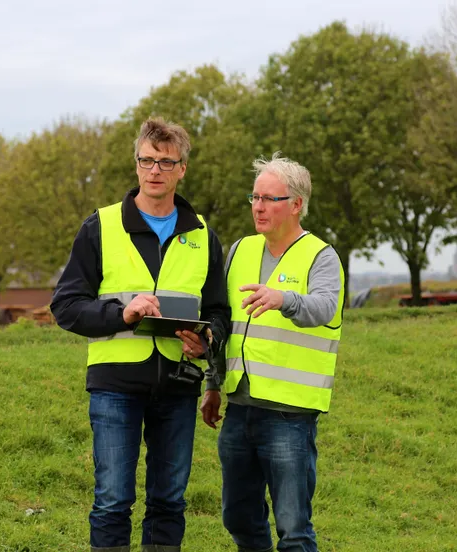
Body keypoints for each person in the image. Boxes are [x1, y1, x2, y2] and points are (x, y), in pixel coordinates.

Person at [50, 117, 230, 552]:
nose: (155, 170)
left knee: (169, 501)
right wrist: (121, 314)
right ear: (136, 165)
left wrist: (205, 340)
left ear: (182, 168)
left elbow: (220, 313)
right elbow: (66, 306)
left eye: (166, 163)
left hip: (177, 386)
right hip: (114, 386)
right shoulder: (100, 226)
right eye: (147, 160)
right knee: (113, 501)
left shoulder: (203, 235)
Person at [202, 152, 344, 552]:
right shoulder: (239, 251)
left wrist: (284, 298)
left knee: (294, 529)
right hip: (239, 408)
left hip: (289, 415)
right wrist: (212, 385)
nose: (258, 206)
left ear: (296, 204)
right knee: (237, 517)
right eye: (254, 197)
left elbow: (324, 307)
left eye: (269, 199)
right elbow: (225, 327)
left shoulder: (321, 256)